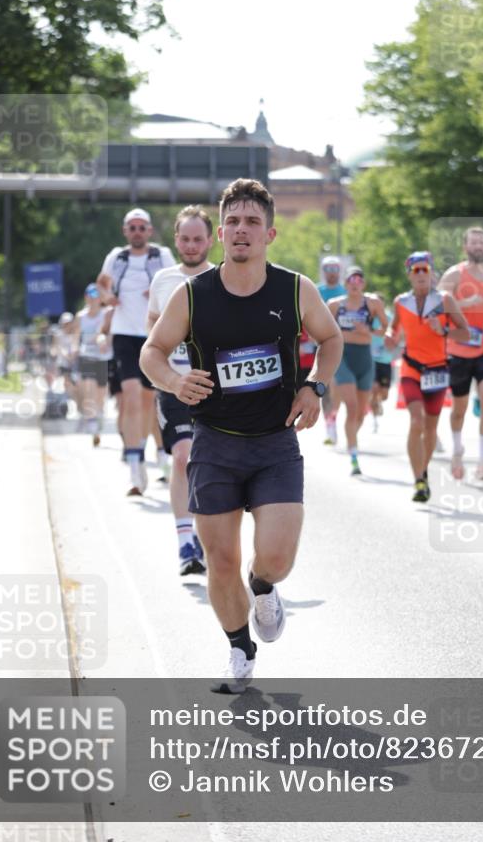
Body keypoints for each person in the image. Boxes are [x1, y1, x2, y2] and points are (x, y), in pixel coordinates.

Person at [141, 178, 343, 692]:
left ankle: (264, 587)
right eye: (232, 221)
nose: (241, 231)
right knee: (221, 560)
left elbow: (330, 337)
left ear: (270, 233)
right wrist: (174, 380)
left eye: (252, 222)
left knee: (275, 558)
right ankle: (239, 647)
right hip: (215, 441)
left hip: (275, 443)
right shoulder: (194, 295)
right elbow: (152, 351)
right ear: (220, 233)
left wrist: (315, 386)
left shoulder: (294, 289)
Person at [147, 205, 214, 576]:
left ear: (210, 240)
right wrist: (161, 368)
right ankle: (185, 541)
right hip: (173, 384)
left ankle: (209, 533)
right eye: (185, 239)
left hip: (213, 386)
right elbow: (153, 329)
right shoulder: (163, 281)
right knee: (182, 457)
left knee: (209, 463)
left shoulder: (223, 279)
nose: (191, 246)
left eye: (198, 239)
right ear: (176, 240)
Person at [97, 208, 174, 496]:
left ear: (150, 231)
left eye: (142, 227)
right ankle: (135, 466)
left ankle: (161, 454)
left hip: (154, 335)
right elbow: (101, 285)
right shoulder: (116, 257)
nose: (138, 231)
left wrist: (157, 293)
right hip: (124, 334)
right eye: (133, 227)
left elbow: (176, 285)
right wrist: (107, 297)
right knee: (130, 398)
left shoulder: (161, 256)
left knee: (151, 402)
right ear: (125, 231)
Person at [386, 252, 469, 502]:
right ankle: (418, 479)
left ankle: (423, 473)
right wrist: (391, 335)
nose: (421, 275)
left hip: (437, 370)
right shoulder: (401, 302)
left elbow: (465, 334)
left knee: (431, 428)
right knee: (417, 421)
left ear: (432, 272)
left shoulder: (445, 300)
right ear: (409, 275)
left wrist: (443, 330)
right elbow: (395, 327)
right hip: (411, 368)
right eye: (416, 271)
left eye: (425, 270)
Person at [438, 227, 483, 482]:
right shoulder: (455, 274)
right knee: (459, 408)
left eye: (481, 242)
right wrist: (463, 303)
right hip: (459, 349)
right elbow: (436, 304)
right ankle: (457, 451)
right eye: (473, 242)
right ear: (465, 247)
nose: (478, 246)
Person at [327, 267, 386, 475]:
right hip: (343, 357)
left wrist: (368, 330)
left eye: (359, 279)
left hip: (364, 358)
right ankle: (354, 456)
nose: (355, 283)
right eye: (351, 279)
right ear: (345, 284)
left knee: (360, 412)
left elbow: (386, 329)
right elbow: (323, 331)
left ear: (364, 284)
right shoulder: (334, 305)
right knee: (351, 408)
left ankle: (350, 435)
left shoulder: (373, 303)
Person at [74, 284, 113, 445]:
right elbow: (76, 337)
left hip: (103, 358)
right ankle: (92, 425)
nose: (92, 297)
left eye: (95, 294)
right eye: (89, 294)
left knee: (100, 394)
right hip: (87, 356)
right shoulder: (81, 316)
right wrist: (74, 349)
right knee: (88, 389)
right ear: (86, 297)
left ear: (100, 298)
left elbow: (110, 333)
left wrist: (107, 343)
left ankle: (99, 414)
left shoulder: (106, 314)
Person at [317, 255, 344, 444]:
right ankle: (330, 424)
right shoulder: (316, 290)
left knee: (338, 389)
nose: (332, 274)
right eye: (328, 270)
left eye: (335, 270)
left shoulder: (345, 292)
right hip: (319, 345)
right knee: (325, 386)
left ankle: (333, 419)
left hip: (343, 347)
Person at [369, 296, 398, 431]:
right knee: (374, 388)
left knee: (384, 394)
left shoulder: (389, 317)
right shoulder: (367, 318)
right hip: (371, 360)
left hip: (385, 360)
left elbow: (396, 335)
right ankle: (374, 419)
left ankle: (379, 402)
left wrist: (393, 342)